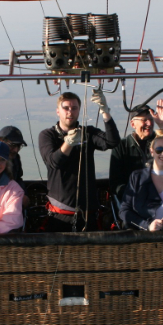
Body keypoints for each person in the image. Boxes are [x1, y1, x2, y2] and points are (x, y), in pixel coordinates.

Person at [38, 89, 120, 232]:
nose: (70, 111)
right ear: (58, 111)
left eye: (74, 108)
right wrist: (69, 143)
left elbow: (112, 142)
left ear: (79, 110)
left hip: (88, 215)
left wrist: (104, 111)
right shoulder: (48, 135)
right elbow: (53, 162)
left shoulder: (87, 133)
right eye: (66, 108)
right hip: (59, 215)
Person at [109, 99, 163, 199]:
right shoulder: (121, 147)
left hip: (162, 196)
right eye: (144, 120)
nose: (149, 123)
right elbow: (116, 183)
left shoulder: (159, 141)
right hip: (134, 200)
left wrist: (162, 125)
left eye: (151, 119)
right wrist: (133, 197)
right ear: (133, 124)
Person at [0, 125, 31, 208]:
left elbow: (18, 179)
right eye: (13, 145)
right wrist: (18, 197)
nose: (16, 150)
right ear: (1, 142)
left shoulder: (15, 158)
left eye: (19, 146)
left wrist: (24, 194)